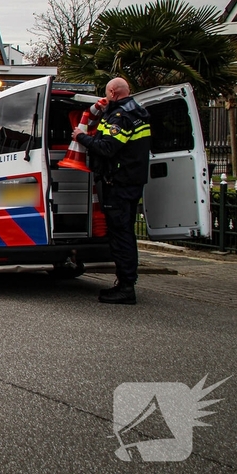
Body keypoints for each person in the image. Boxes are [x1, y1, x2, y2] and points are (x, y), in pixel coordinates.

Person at [73, 77, 151, 305]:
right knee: (125, 231)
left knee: (121, 234)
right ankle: (125, 283)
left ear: (114, 93)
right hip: (130, 182)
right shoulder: (137, 111)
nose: (105, 98)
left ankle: (126, 287)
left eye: (107, 94)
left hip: (119, 183)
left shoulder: (121, 117)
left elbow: (107, 147)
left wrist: (81, 137)